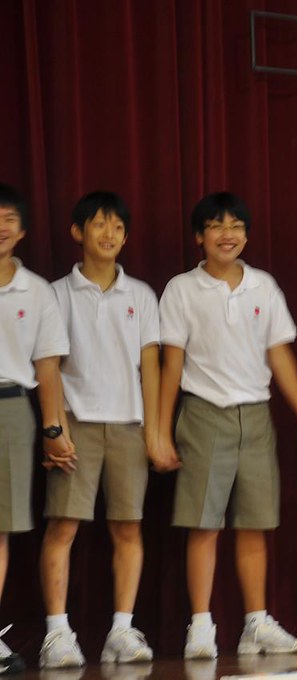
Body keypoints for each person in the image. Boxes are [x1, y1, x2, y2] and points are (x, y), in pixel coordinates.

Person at [156, 192, 297, 658]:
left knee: (254, 524)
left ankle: (255, 623)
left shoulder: (263, 287)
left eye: (236, 226)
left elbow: (280, 354)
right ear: (199, 237)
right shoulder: (181, 289)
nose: (227, 234)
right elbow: (170, 365)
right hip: (203, 412)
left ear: (247, 235)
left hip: (255, 415)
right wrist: (160, 429)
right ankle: (201, 626)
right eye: (215, 225)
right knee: (203, 523)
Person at [40, 192, 166, 668]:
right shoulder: (55, 294)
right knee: (63, 526)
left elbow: (150, 366)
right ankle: (57, 634)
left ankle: (121, 628)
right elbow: (47, 365)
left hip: (129, 425)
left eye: (118, 227)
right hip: (76, 425)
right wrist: (54, 428)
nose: (109, 234)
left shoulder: (141, 295)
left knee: (128, 528)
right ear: (78, 232)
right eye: (99, 224)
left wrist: (154, 431)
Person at [0, 183, 72, 674]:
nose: (0, 226)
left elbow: (47, 367)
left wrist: (53, 430)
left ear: (22, 229)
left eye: (8, 217)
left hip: (11, 408)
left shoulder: (38, 291)